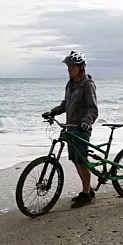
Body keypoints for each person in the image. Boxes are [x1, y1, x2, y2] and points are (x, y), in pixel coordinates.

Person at [42, 50, 98, 208]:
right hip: (70, 128)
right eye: (68, 66)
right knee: (75, 160)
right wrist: (53, 112)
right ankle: (87, 190)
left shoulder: (87, 84)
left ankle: (87, 194)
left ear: (81, 67)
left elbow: (93, 109)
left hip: (81, 129)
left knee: (82, 161)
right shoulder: (70, 84)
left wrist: (87, 122)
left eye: (72, 66)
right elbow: (65, 104)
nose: (69, 69)